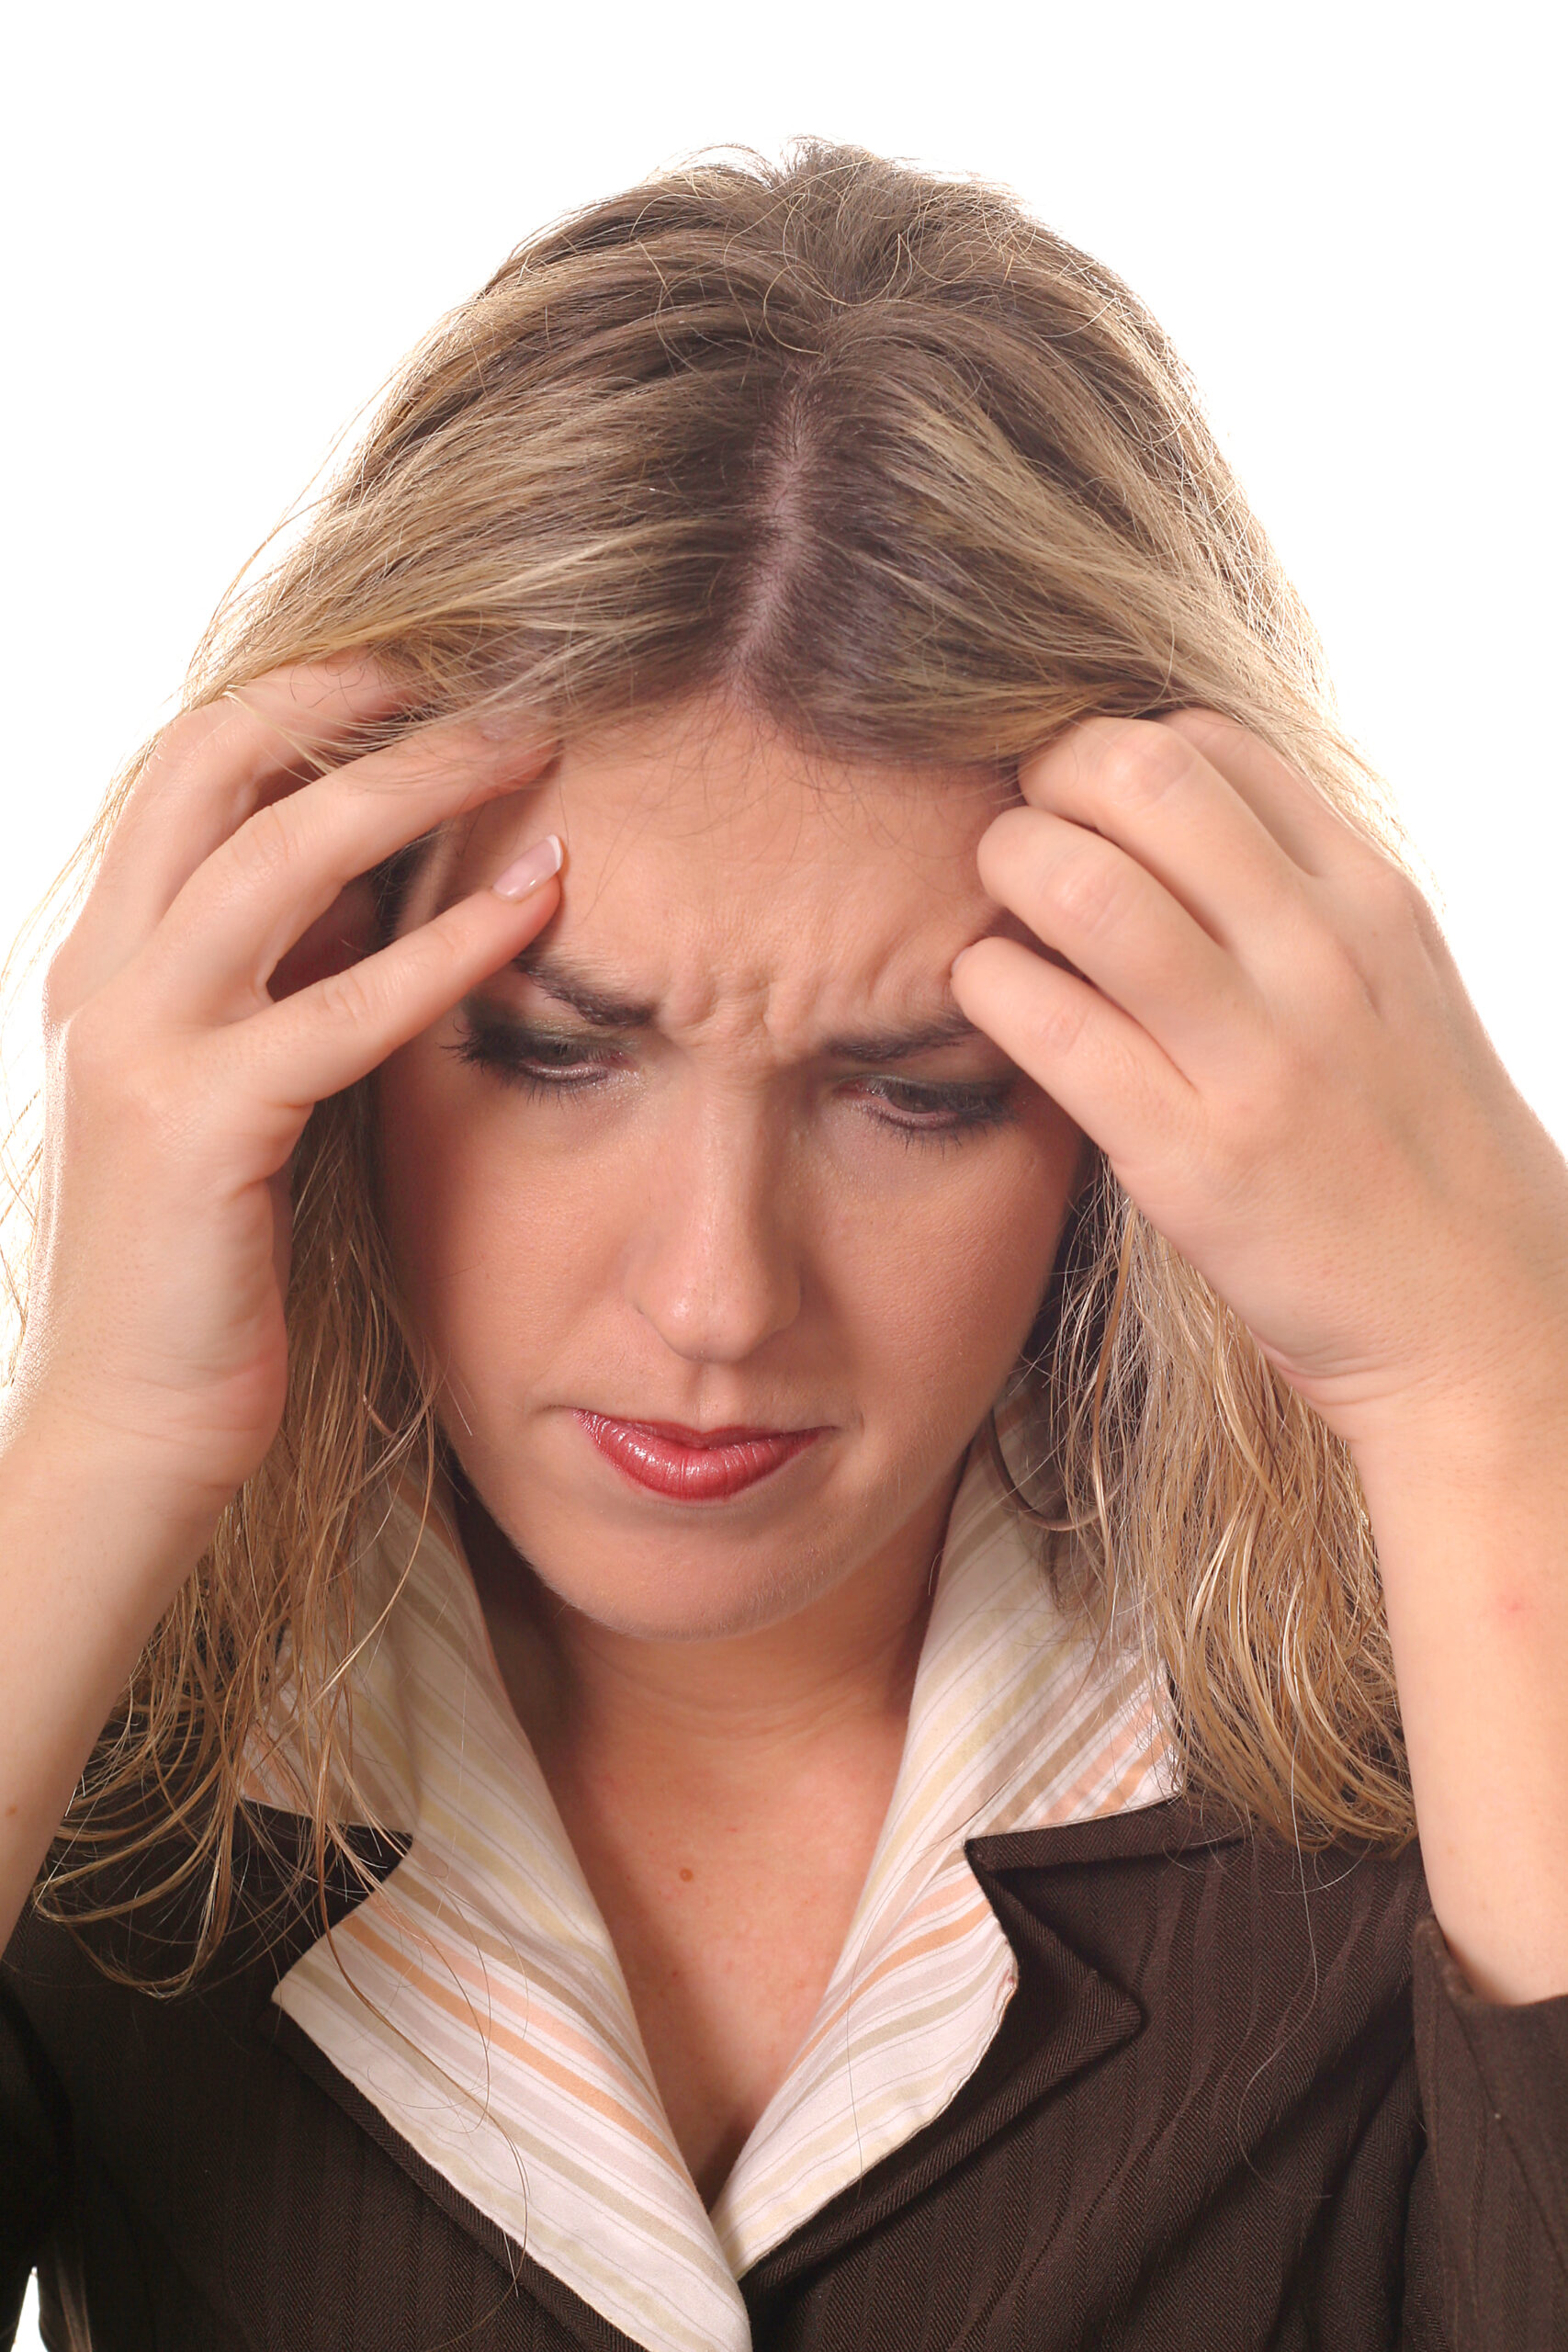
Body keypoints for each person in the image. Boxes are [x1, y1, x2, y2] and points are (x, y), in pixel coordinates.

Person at [1, 141, 1564, 2352]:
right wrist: (103, 1438)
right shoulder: (86, 1731)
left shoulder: (1454, 1722)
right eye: (547, 1053)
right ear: (315, 1017)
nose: (716, 1296)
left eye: (917, 1092)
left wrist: (1504, 1394)